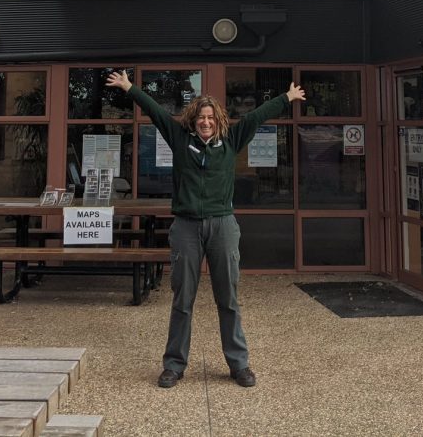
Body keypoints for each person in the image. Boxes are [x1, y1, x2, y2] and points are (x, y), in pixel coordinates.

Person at [105, 69, 305, 389]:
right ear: (193, 119)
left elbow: (255, 117)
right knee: (183, 298)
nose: (206, 122)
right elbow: (155, 111)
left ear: (219, 120)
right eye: (201, 117)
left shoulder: (231, 141)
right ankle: (174, 365)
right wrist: (129, 87)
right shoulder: (180, 138)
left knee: (228, 298)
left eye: (211, 117)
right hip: (185, 226)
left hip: (223, 225)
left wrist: (287, 98)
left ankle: (239, 365)